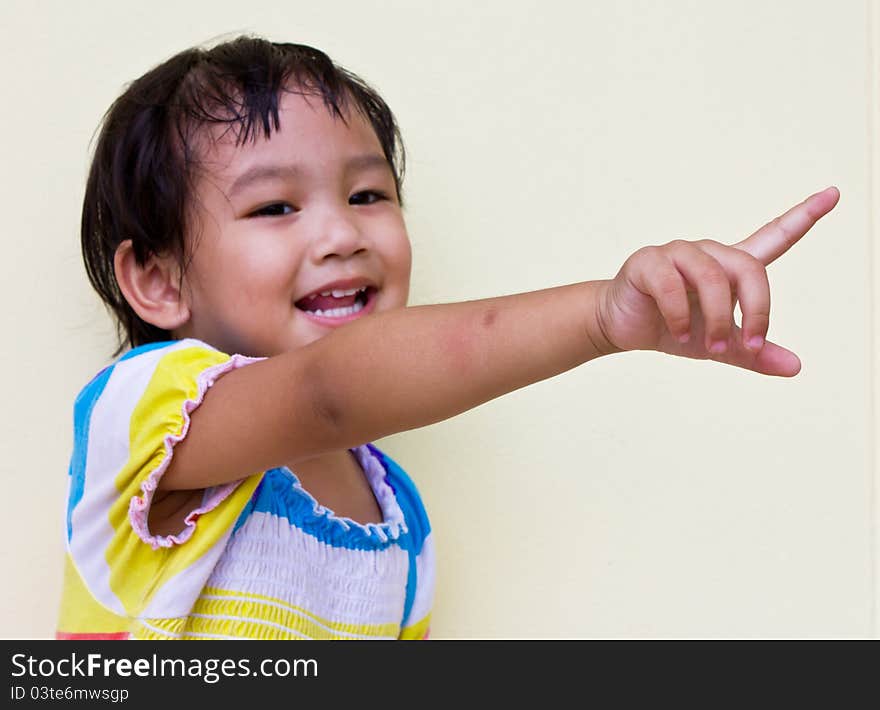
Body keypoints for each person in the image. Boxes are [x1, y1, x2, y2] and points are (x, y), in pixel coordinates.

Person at [56, 36, 839, 640]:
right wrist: (602, 316)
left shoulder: (399, 514)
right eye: (275, 208)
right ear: (158, 280)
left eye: (368, 194)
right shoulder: (145, 414)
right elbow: (329, 392)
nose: (341, 233)